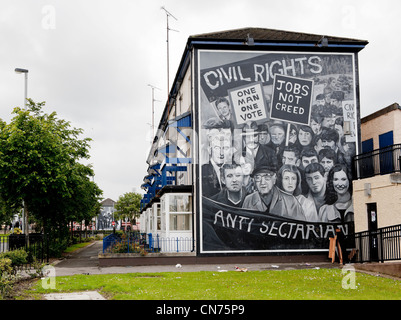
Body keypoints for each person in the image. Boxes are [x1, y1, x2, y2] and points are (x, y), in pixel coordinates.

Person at [201, 123, 233, 197]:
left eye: (225, 148)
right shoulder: (202, 172)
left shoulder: (233, 169)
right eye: (217, 148)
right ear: (209, 150)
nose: (221, 153)